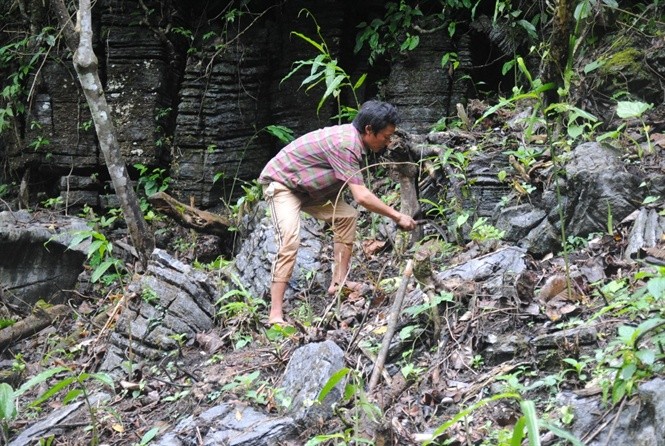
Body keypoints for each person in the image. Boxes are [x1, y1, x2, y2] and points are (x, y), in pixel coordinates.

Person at [259, 100, 417, 324]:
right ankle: (275, 314)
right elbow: (361, 196)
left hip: (311, 190)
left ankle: (338, 283)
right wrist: (397, 215)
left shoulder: (355, 141)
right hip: (283, 186)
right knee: (289, 240)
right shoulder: (346, 144)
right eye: (385, 136)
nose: (388, 142)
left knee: (346, 216)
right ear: (369, 130)